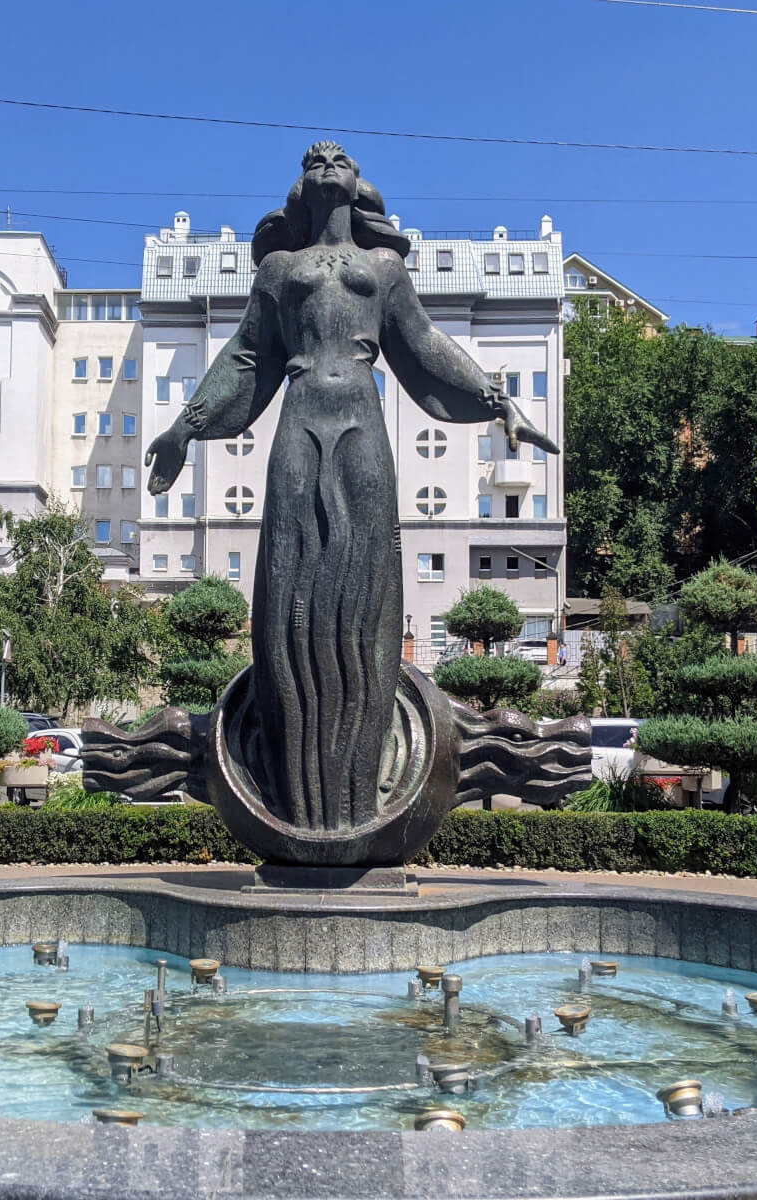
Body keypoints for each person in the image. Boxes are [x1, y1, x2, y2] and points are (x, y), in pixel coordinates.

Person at [146, 142, 559, 834]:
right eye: (315, 160)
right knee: (290, 578)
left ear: (358, 184)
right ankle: (297, 788)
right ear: (302, 185)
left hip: (364, 428)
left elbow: (424, 345)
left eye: (340, 159)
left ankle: (357, 790)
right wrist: (183, 428)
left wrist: (499, 402)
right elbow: (244, 357)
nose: (327, 161)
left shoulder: (384, 268)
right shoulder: (279, 270)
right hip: (299, 423)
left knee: (368, 576)